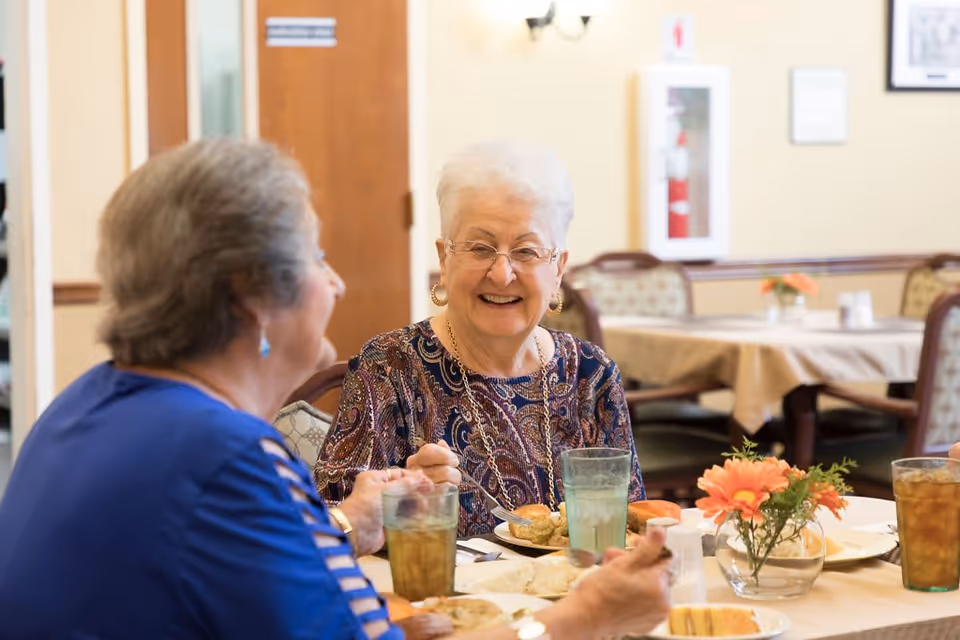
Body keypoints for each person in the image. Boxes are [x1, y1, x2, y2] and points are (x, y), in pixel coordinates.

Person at [0, 139, 671, 640]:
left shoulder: (82, 404)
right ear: (252, 297)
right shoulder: (227, 457)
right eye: (317, 257)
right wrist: (580, 618)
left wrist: (352, 533)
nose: (337, 283)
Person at [315, 141, 644, 535]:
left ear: (558, 268)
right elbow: (329, 532)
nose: (502, 274)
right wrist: (400, 504)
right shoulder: (389, 368)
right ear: (444, 259)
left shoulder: (591, 376)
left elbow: (631, 528)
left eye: (526, 251)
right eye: (480, 248)